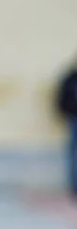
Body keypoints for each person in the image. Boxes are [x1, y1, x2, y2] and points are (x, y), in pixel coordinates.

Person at [58, 60, 77, 198]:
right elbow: (62, 98)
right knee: (72, 155)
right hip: (74, 119)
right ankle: (74, 186)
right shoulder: (70, 78)